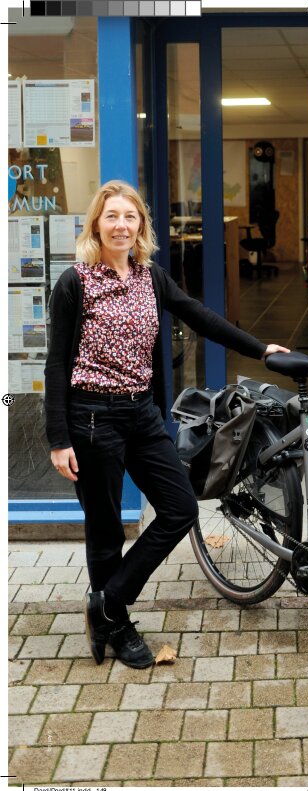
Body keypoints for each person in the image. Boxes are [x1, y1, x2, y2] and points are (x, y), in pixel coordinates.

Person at [45, 180, 289, 669]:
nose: (121, 225)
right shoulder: (74, 282)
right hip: (91, 418)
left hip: (142, 414)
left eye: (129, 216)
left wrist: (260, 349)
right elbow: (55, 364)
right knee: (105, 528)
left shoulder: (150, 277)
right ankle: (118, 625)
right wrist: (58, 439)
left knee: (180, 508)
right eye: (111, 216)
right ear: (97, 224)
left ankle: (108, 603)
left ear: (141, 225)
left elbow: (199, 316)